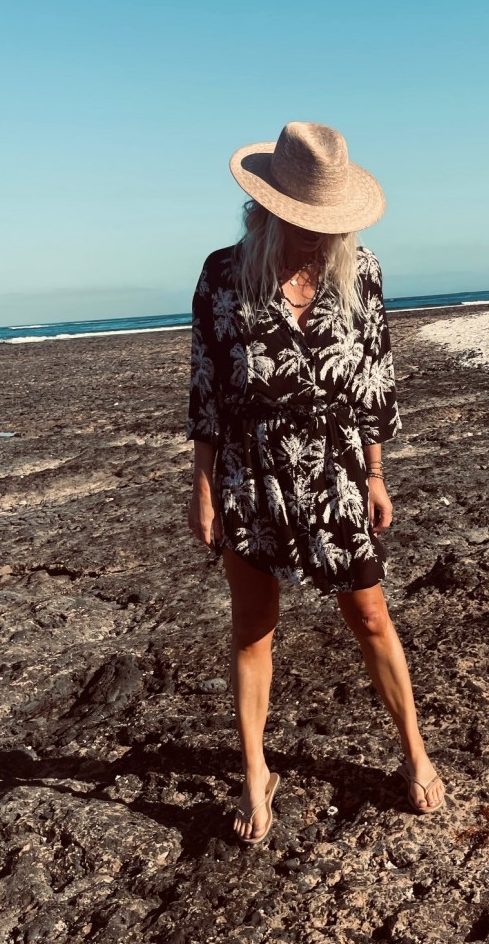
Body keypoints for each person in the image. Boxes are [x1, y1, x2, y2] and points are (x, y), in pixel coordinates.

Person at [186, 121, 446, 844]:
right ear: (267, 209)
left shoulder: (361, 272)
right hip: (250, 470)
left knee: (371, 617)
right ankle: (254, 773)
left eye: (328, 225)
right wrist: (202, 489)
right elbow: (207, 389)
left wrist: (376, 473)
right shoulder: (223, 274)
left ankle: (414, 751)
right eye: (304, 222)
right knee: (252, 629)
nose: (318, 237)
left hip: (337, 469)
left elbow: (374, 379)